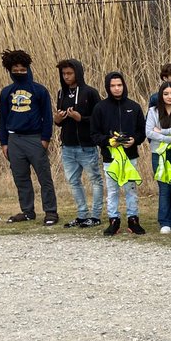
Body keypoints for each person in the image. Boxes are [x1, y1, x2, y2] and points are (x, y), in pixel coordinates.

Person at [0, 49, 59, 225]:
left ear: (28, 68)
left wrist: (45, 139)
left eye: (22, 69)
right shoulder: (6, 92)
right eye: (15, 70)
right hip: (14, 140)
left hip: (35, 138)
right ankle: (27, 211)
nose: (19, 73)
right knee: (21, 177)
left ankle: (51, 211)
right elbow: (3, 118)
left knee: (44, 177)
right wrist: (4, 142)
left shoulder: (39, 90)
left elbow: (47, 117)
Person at [91, 71, 147, 236]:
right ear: (108, 87)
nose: (116, 89)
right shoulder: (100, 108)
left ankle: (133, 219)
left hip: (130, 157)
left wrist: (134, 140)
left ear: (124, 86)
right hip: (111, 158)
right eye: (113, 86)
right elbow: (94, 134)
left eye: (119, 85)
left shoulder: (134, 106)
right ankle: (113, 220)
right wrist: (108, 141)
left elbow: (141, 132)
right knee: (113, 190)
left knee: (130, 189)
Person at [54, 58, 104, 228]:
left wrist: (80, 118)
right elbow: (58, 121)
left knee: (95, 180)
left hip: (87, 145)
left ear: (78, 73)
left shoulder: (90, 92)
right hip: (67, 145)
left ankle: (95, 215)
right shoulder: (61, 93)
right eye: (64, 74)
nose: (66, 77)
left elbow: (98, 120)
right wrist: (57, 119)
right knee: (74, 181)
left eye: (70, 73)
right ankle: (82, 215)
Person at [146, 81, 171, 233]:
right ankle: (164, 222)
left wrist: (162, 132)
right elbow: (149, 132)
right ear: (161, 95)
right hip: (159, 154)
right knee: (164, 189)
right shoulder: (153, 111)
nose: (169, 97)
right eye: (166, 94)